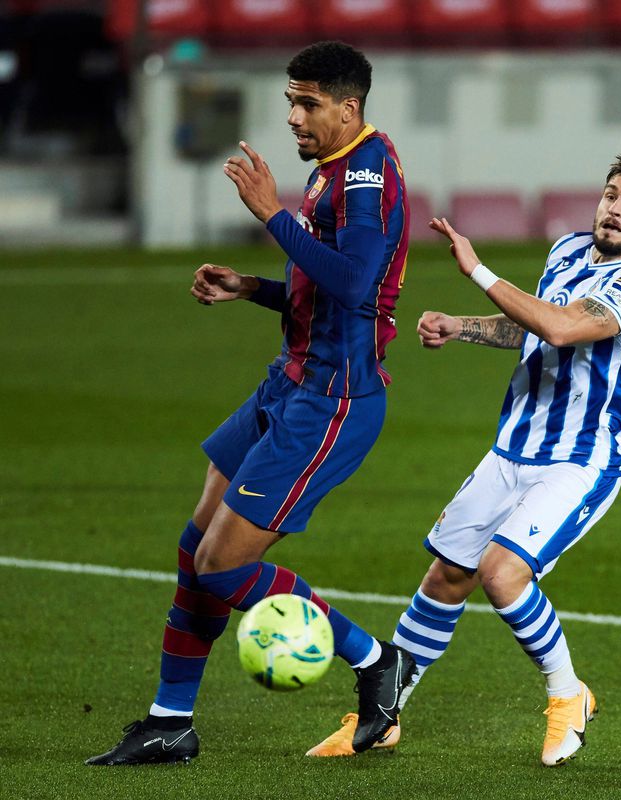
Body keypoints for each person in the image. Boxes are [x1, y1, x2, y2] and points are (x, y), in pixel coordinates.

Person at [87, 41, 413, 765]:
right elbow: (324, 290)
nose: (293, 117)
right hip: (290, 380)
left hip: (331, 402)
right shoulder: (337, 168)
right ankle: (170, 721)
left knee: (224, 565)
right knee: (194, 548)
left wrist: (271, 215)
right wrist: (253, 288)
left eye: (307, 104)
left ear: (347, 107)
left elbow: (357, 285)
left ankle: (373, 659)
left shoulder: (366, 174)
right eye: (289, 102)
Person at [305, 154, 621, 766]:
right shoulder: (568, 251)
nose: (616, 208)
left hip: (580, 460)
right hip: (512, 448)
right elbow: (531, 325)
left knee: (502, 574)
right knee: (446, 576)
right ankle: (383, 714)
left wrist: (476, 271)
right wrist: (462, 326)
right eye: (612, 194)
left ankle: (568, 695)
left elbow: (561, 329)